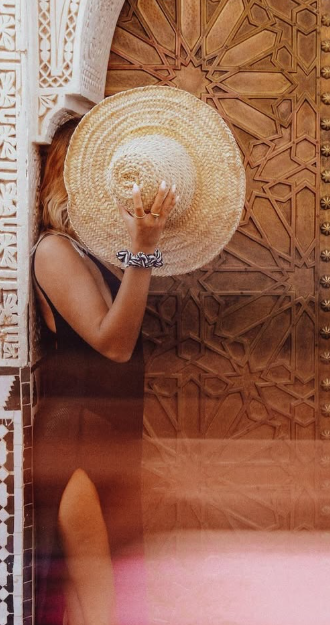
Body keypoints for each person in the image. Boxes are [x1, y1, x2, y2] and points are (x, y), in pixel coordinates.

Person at [31, 117, 177, 625]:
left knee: (89, 604)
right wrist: (143, 249)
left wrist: (145, 240)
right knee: (100, 609)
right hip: (78, 444)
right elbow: (114, 346)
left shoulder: (91, 254)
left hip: (108, 439)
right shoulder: (53, 251)